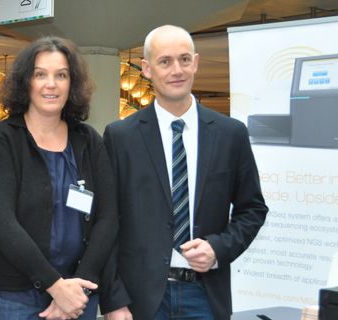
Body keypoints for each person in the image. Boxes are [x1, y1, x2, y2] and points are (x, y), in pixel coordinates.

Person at [99, 25, 268, 320]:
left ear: (196, 63)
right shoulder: (120, 136)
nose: (176, 70)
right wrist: (113, 299)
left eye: (184, 59)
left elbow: (252, 208)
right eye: (165, 61)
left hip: (205, 296)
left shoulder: (231, 134)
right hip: (141, 300)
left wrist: (218, 248)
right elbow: (105, 222)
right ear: (147, 69)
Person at [0, 36, 119, 320]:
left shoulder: (88, 140)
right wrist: (55, 286)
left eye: (61, 75)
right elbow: (0, 222)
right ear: (25, 82)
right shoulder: (2, 138)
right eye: (40, 74)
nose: (50, 84)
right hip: (14, 299)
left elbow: (108, 217)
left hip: (79, 294)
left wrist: (79, 288)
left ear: (72, 83)